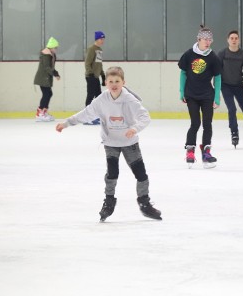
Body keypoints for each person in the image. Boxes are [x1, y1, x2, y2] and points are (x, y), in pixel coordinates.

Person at [55, 66, 162, 222]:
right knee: (112, 173)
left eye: (117, 81)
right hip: (111, 142)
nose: (114, 84)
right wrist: (67, 123)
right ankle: (109, 202)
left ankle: (144, 203)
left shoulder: (129, 100)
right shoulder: (102, 100)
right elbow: (86, 113)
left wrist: (134, 128)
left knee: (141, 174)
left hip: (129, 143)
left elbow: (145, 117)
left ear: (123, 82)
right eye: (110, 81)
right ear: (105, 82)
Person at [178, 25, 222, 168]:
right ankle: (190, 150)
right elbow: (183, 73)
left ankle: (206, 152)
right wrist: (181, 92)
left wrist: (217, 97)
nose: (208, 42)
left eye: (210, 40)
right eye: (205, 39)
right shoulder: (189, 54)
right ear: (198, 39)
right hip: (191, 95)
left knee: (207, 124)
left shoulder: (213, 57)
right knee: (195, 123)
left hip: (207, 95)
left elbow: (218, 77)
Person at [33, 37, 61, 122]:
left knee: (49, 93)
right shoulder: (46, 55)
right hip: (43, 78)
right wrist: (55, 74)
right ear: (51, 47)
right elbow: (47, 67)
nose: (56, 49)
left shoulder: (50, 55)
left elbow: (50, 67)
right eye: (55, 48)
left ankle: (43, 112)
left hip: (46, 77)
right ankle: (39, 113)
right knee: (46, 94)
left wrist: (55, 73)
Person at [84, 31, 106, 125]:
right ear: (97, 39)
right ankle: (87, 117)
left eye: (103, 39)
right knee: (90, 95)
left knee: (98, 97)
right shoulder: (91, 49)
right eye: (101, 39)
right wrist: (91, 73)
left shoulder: (99, 50)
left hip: (96, 76)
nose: (103, 41)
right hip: (91, 76)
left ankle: (95, 115)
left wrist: (103, 76)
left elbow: (99, 64)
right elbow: (87, 63)